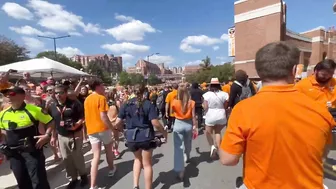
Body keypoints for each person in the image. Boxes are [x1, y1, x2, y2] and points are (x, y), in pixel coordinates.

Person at [219, 42, 334, 189]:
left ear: (259, 72)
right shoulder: (321, 110)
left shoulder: (243, 109)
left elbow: (228, 159)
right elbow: (323, 154)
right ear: (294, 70)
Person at [0, 86, 56, 189]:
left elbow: (51, 122)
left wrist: (47, 135)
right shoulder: (3, 114)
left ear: (22, 96)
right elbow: (3, 131)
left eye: (11, 94)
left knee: (39, 181)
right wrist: (3, 144)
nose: (8, 97)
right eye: (6, 94)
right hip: (14, 155)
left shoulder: (34, 110)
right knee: (22, 182)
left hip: (32, 152)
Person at [114, 84, 168, 189]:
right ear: (145, 92)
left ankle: (135, 185)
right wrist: (164, 133)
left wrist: (123, 132)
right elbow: (155, 123)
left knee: (137, 160)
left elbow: (117, 122)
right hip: (146, 137)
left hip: (132, 137)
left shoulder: (126, 104)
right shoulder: (148, 104)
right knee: (147, 164)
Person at [48, 85, 88, 189]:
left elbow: (82, 118)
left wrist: (76, 126)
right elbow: (52, 122)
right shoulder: (53, 106)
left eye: (60, 92)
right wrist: (53, 136)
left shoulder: (74, 104)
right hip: (61, 136)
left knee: (77, 157)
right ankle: (73, 179)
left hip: (75, 135)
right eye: (56, 93)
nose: (58, 95)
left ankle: (83, 176)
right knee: (66, 158)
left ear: (65, 93)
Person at [84, 79, 117, 189]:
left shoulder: (87, 99)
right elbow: (103, 116)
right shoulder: (101, 98)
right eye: (102, 86)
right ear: (97, 86)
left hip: (91, 130)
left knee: (96, 156)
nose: (103, 88)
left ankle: (92, 185)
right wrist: (113, 129)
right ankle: (111, 169)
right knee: (108, 150)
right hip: (103, 128)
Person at [171, 84, 197, 180]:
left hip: (178, 124)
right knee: (188, 142)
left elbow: (172, 113)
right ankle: (187, 155)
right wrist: (195, 126)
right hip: (188, 124)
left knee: (178, 148)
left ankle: (180, 170)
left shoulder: (174, 102)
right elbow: (194, 116)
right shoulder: (192, 103)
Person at [203, 78, 229, 158]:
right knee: (218, 132)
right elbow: (225, 106)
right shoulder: (224, 94)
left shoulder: (207, 94)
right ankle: (219, 149)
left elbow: (205, 107)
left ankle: (212, 146)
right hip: (221, 114)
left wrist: (203, 107)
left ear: (211, 85)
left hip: (210, 114)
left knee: (208, 132)